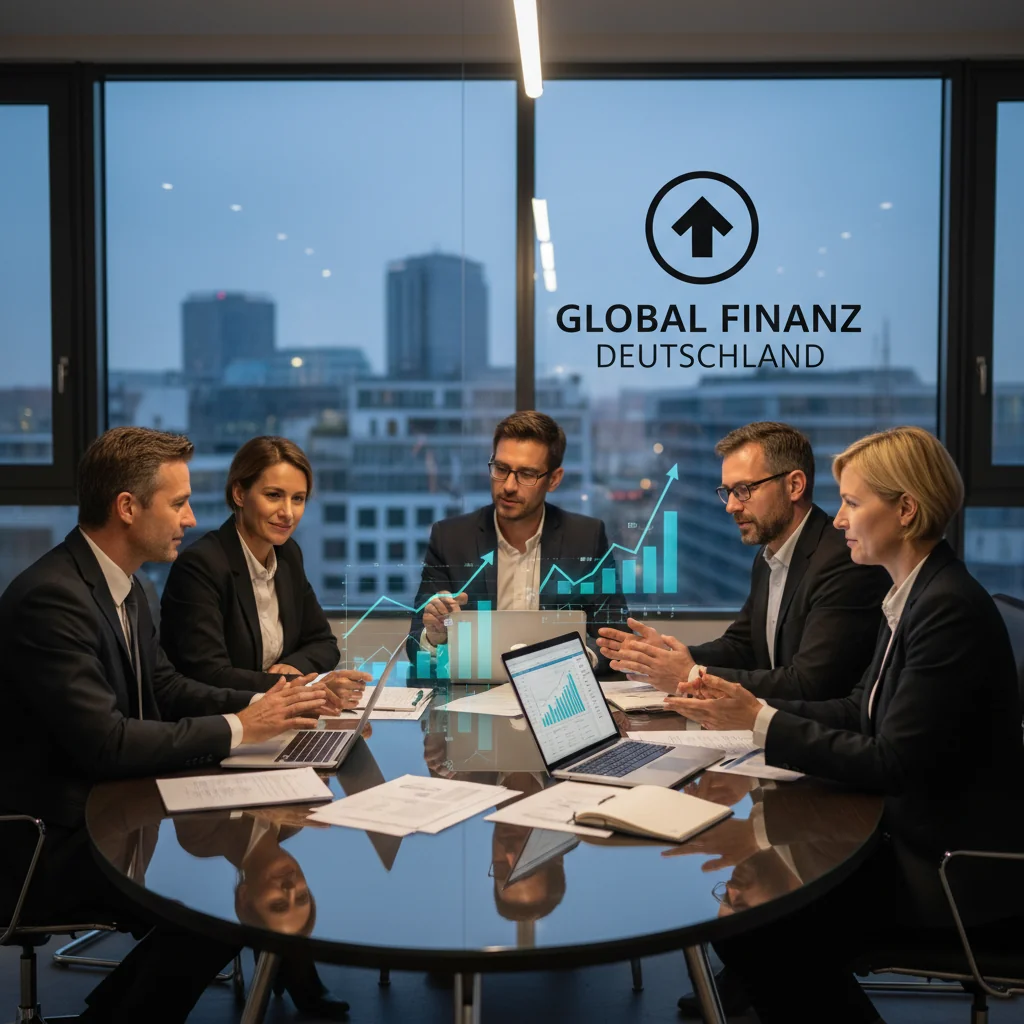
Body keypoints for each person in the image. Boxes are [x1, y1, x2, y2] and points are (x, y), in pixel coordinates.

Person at [665, 426, 1024, 1024]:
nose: (837, 520)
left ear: (905, 510)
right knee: (754, 914)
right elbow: (861, 708)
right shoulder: (911, 594)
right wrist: (752, 716)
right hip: (911, 838)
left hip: (950, 867)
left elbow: (892, 761)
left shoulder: (945, 610)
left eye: (854, 503)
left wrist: (760, 721)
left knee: (756, 929)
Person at [0, 427, 346, 1024]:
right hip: (47, 842)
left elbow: (165, 687)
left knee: (232, 887)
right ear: (128, 507)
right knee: (219, 912)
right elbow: (107, 742)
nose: (190, 518)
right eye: (178, 503)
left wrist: (263, 713)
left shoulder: (126, 587)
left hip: (113, 808)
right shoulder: (52, 598)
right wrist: (240, 726)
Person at [597, 421, 890, 700]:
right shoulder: (770, 555)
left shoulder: (844, 560)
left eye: (743, 490)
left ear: (794, 486)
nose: (732, 506)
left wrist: (691, 674)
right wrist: (666, 656)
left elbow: (810, 683)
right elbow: (742, 645)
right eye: (728, 492)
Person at [408, 411, 628, 674]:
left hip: (559, 694)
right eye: (501, 469)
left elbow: (615, 636)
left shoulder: (586, 538)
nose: (509, 486)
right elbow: (415, 645)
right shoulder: (451, 538)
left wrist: (578, 658)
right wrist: (434, 635)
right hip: (474, 697)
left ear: (554, 479)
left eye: (526, 474)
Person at [161, 435, 368, 706]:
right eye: (274, 496)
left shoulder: (288, 554)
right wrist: (303, 686)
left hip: (278, 719)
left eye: (298, 499)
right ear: (239, 494)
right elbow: (209, 675)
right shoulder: (201, 565)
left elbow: (324, 643)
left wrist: (290, 667)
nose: (288, 512)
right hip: (219, 726)